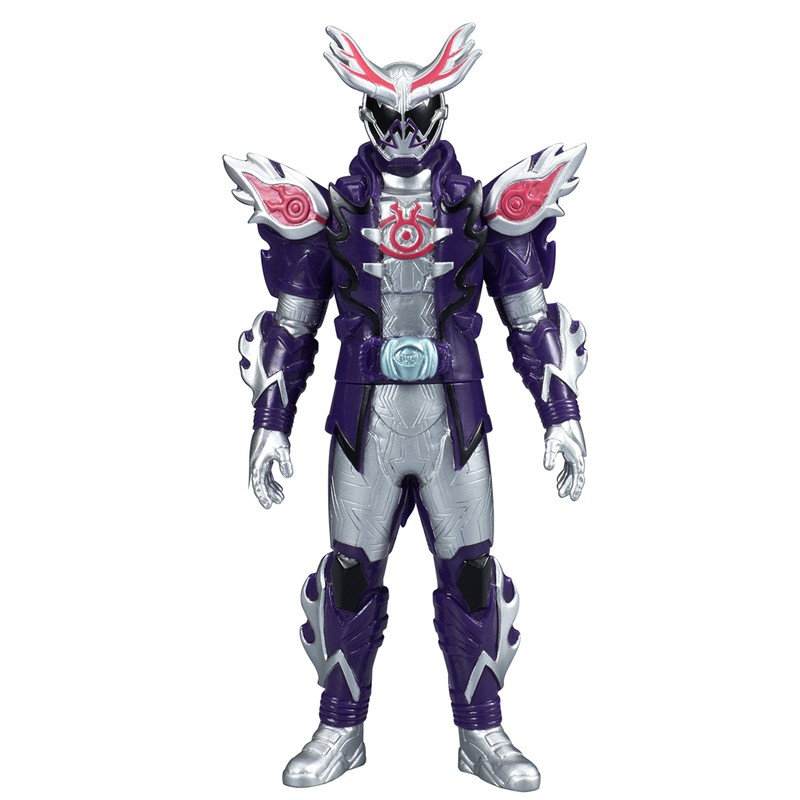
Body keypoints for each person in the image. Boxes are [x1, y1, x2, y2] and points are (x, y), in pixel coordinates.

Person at [223, 22, 587, 792]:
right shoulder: (329, 214)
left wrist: (562, 416)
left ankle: (481, 733)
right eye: (386, 117)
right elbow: (292, 327)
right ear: (365, 117)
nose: (401, 131)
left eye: (415, 116)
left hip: (455, 418)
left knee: (472, 573)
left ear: (440, 115)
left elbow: (530, 320)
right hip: (365, 420)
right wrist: (269, 427)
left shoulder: (484, 210)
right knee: (351, 574)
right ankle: (340, 729)